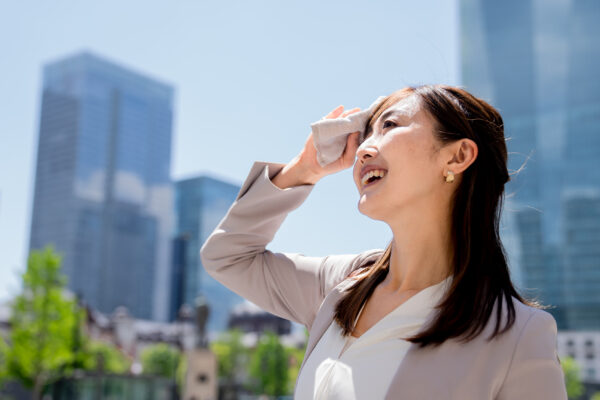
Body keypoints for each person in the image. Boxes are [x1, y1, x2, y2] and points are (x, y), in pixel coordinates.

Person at [200, 85, 568, 399]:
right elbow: (227, 256)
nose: (362, 150)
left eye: (389, 125)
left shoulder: (518, 333)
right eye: (366, 135)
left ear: (457, 156)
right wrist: (303, 169)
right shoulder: (341, 284)